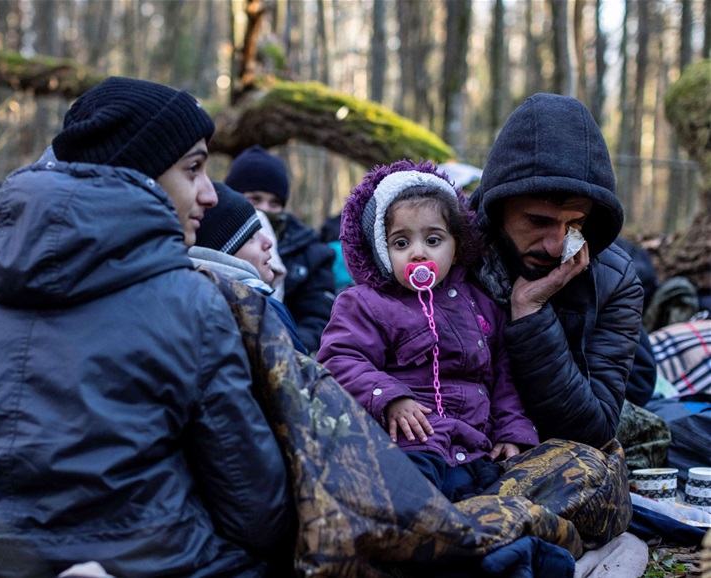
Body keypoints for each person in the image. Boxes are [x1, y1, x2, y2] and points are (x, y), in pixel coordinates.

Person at [0, 77, 292, 577]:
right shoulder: (190, 300)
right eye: (194, 169)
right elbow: (257, 512)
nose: (209, 195)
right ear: (138, 172)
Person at [317, 160, 538, 499]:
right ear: (381, 249)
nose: (418, 253)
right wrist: (388, 397)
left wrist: (511, 430)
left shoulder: (481, 304)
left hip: (475, 448)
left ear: (457, 244)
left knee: (503, 505)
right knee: (416, 506)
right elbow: (339, 358)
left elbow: (504, 378)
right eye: (401, 243)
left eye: (433, 239)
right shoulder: (365, 303)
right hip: (411, 445)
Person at [471, 93, 644, 448]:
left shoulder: (614, 280)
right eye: (537, 221)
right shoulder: (446, 253)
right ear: (499, 207)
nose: (555, 245)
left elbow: (592, 433)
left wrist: (531, 314)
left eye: (575, 223)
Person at [225, 145, 335, 352]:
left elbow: (319, 319)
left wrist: (285, 348)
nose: (265, 210)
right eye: (255, 199)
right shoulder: (213, 240)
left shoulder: (312, 253)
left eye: (274, 203)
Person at [191, 182, 308, 353]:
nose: (268, 243)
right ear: (224, 255)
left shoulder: (191, 301)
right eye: (251, 237)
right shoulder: (263, 310)